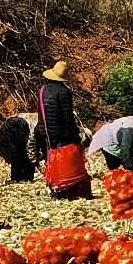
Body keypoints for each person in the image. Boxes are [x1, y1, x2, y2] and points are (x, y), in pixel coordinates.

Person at [35, 61, 92, 200]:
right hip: (62, 132)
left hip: (45, 131)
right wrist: (75, 136)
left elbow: (40, 113)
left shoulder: (42, 90)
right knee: (66, 160)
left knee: (51, 158)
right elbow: (68, 117)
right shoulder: (64, 92)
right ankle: (67, 189)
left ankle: (54, 187)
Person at [0, 109, 37, 183]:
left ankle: (18, 177)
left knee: (17, 153)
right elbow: (31, 149)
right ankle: (22, 177)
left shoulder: (9, 126)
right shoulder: (30, 132)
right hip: (19, 127)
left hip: (15, 127)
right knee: (19, 153)